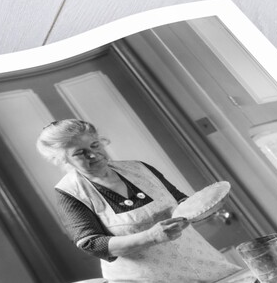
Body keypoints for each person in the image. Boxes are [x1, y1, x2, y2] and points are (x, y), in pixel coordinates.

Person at [36, 119, 242, 283]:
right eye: (80, 153)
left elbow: (180, 202)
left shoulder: (140, 168)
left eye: (95, 145)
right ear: (63, 160)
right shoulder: (69, 192)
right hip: (143, 278)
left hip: (204, 263)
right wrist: (151, 237)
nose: (93, 154)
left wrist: (204, 207)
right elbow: (92, 244)